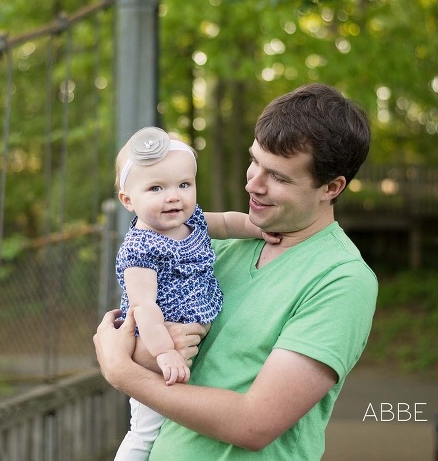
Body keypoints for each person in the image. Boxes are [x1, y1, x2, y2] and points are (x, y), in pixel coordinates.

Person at [94, 83, 378, 459]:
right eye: (254, 160)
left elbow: (255, 423)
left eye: (277, 177)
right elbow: (140, 327)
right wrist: (142, 351)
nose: (252, 182)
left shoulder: (341, 280)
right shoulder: (210, 248)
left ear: (331, 187)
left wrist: (123, 373)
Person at [112, 126, 278, 460]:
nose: (173, 196)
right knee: (144, 431)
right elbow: (144, 306)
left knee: (174, 426)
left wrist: (258, 228)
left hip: (189, 333)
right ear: (128, 200)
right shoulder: (140, 248)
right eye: (156, 188)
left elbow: (228, 223)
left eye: (183, 185)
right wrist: (163, 353)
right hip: (158, 343)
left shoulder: (192, 221)